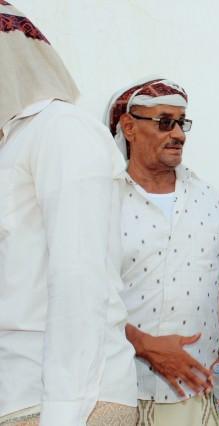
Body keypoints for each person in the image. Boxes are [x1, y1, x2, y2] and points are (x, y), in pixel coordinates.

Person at [0, 3, 138, 425]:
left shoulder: (61, 129)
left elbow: (79, 278)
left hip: (70, 402)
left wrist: (62, 415)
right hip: (21, 394)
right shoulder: (13, 142)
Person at [104, 78, 219, 426]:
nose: (179, 134)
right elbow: (85, 297)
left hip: (195, 392)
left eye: (182, 123)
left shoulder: (208, 199)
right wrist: (143, 345)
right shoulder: (103, 201)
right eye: (164, 122)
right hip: (119, 391)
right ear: (129, 128)